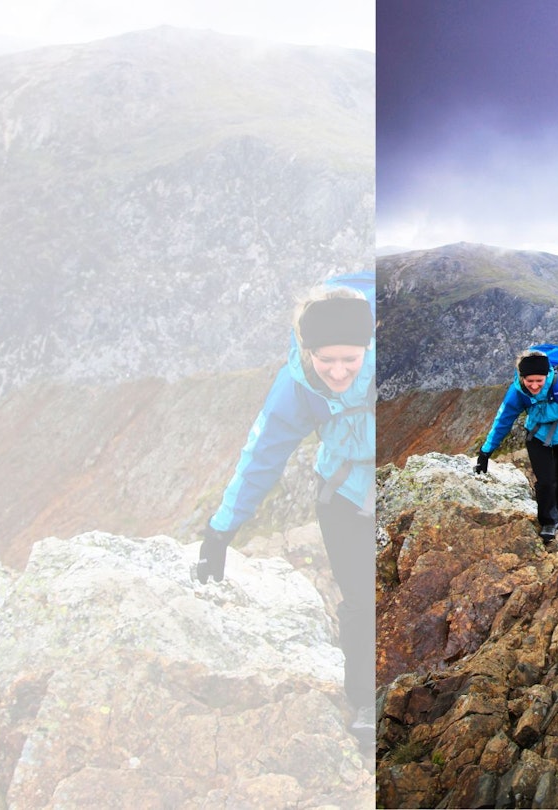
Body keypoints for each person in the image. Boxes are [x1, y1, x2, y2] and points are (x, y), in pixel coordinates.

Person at [194, 272, 377, 743]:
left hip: (391, 480)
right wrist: (220, 532)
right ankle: (363, 704)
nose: (337, 372)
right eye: (326, 360)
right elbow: (262, 455)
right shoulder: (295, 387)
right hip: (341, 493)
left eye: (349, 359)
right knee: (359, 598)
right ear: (307, 350)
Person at [475, 345, 558, 540]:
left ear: (547, 375)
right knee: (545, 482)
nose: (534, 386)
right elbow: (502, 422)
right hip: (537, 435)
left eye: (538, 381)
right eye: (529, 381)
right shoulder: (517, 393)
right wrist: (486, 452)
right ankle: (548, 522)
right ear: (521, 377)